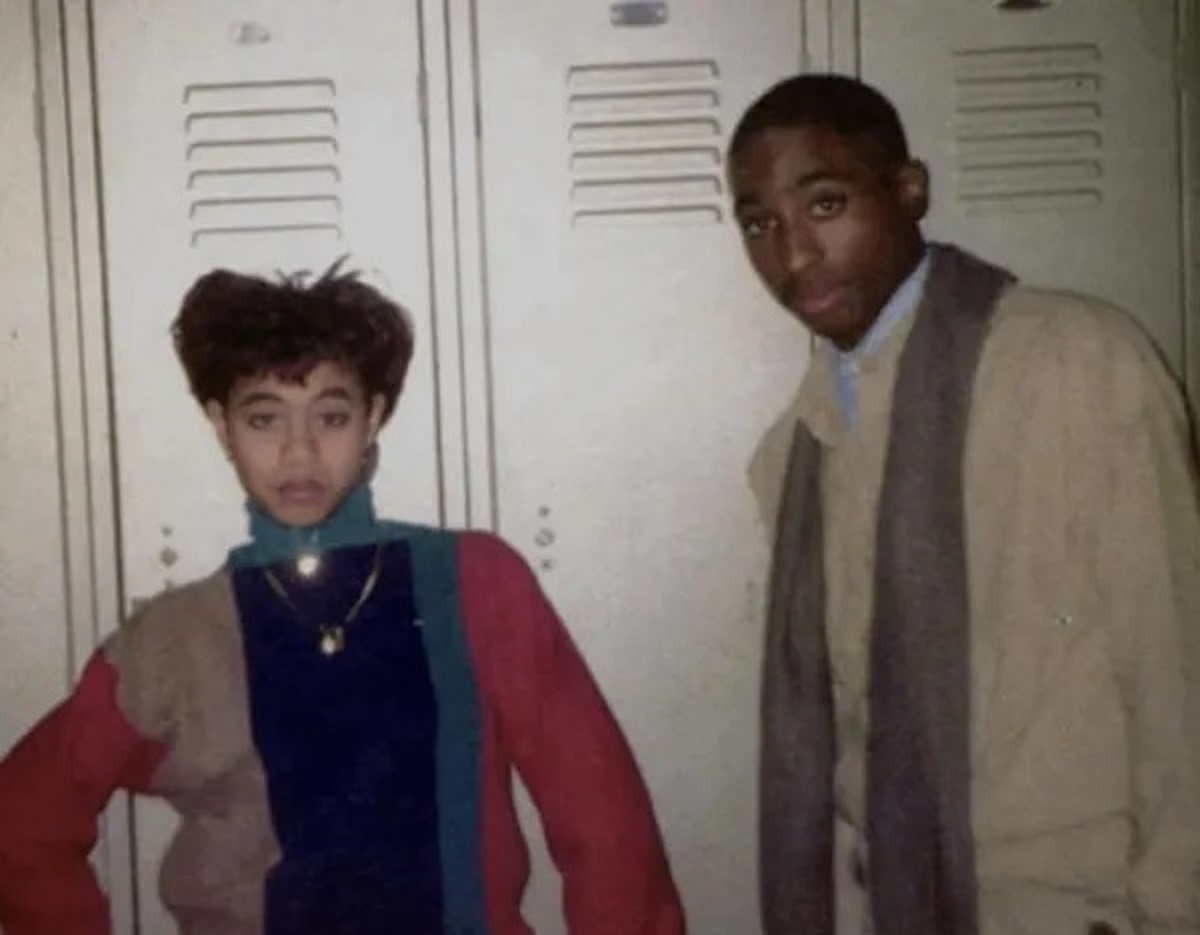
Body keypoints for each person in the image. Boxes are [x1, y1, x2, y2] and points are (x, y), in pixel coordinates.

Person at [0, 263, 685, 935]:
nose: (299, 452)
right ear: (220, 425)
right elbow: (21, 819)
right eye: (264, 418)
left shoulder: (478, 582)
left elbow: (606, 823)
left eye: (330, 415)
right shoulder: (172, 641)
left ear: (373, 417)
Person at [728, 73, 1200, 935]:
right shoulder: (794, 451)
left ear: (909, 190)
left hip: (1082, 906)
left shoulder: (1079, 365)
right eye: (760, 224)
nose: (791, 256)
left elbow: (1181, 679)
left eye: (825, 204)